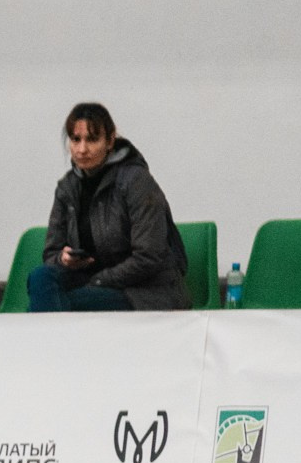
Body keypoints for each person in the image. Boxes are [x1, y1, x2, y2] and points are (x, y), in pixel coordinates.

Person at [28, 102, 188, 312]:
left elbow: (148, 257)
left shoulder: (137, 181)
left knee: (57, 306)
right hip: (91, 280)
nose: (82, 149)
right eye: (76, 140)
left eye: (92, 139)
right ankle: (54, 340)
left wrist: (98, 280)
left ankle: (50, 343)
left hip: (143, 290)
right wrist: (64, 260)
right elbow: (51, 254)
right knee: (40, 277)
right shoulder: (67, 187)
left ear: (110, 140)